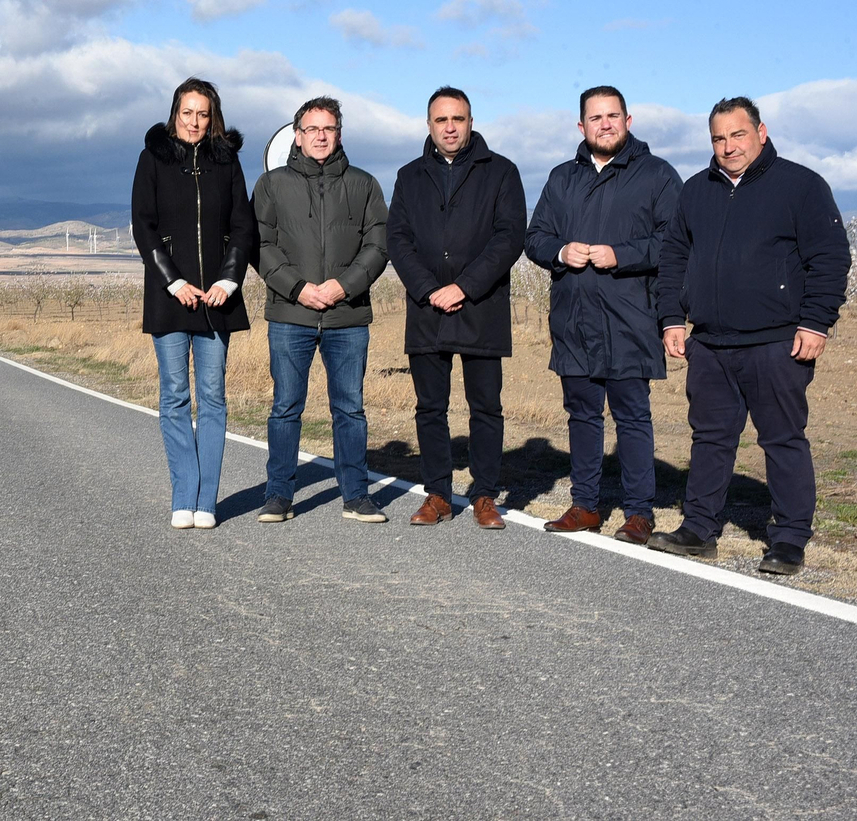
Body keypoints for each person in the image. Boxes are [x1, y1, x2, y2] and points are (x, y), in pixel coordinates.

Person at [650, 97, 849, 575]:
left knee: (782, 439)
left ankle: (789, 539)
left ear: (761, 132)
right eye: (719, 138)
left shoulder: (801, 186)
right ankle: (699, 529)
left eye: (738, 135)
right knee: (711, 439)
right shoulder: (696, 190)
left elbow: (829, 257)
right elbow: (674, 256)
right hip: (712, 342)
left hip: (778, 342)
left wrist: (815, 322)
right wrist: (672, 318)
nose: (728, 146)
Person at [524, 85, 681, 544]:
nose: (605, 124)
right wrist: (559, 250)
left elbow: (675, 241)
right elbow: (534, 237)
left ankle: (638, 512)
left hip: (630, 318)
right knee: (582, 415)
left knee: (633, 416)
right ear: (581, 126)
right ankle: (586, 505)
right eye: (596, 118)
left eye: (613, 116)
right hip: (574, 319)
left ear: (628, 121)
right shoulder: (561, 178)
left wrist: (623, 255)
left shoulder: (656, 175)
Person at [387, 86, 526, 529]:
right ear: (429, 125)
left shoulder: (501, 172)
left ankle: (485, 495)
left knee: (485, 406)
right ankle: (438, 495)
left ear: (470, 121)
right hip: (427, 310)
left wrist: (464, 286)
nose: (450, 127)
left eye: (458, 119)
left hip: (480, 307)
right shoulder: (409, 176)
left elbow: (509, 237)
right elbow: (398, 239)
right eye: (441, 120)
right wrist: (429, 289)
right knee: (431, 407)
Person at [252, 96, 390, 524]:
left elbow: (377, 245)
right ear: (297, 135)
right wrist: (298, 288)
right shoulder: (272, 185)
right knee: (285, 407)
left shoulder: (365, 184)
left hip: (346, 316)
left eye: (328, 128)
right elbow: (261, 245)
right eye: (311, 129)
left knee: (349, 408)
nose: (320, 136)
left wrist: (341, 286)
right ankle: (279, 496)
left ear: (339, 134)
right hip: (290, 315)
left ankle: (355, 495)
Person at [131, 77, 258, 530]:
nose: (195, 121)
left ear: (213, 116)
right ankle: (182, 496)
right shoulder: (153, 159)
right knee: (175, 397)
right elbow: (143, 227)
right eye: (188, 112)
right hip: (171, 300)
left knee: (213, 398)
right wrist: (173, 281)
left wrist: (228, 280)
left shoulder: (228, 162)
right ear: (175, 113)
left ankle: (207, 502)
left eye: (203, 113)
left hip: (217, 301)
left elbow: (243, 227)